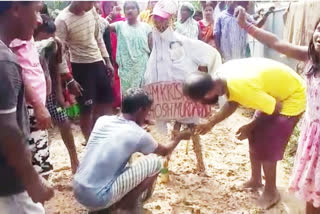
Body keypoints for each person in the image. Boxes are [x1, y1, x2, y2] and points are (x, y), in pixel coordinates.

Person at [183, 57, 306, 209]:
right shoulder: (221, 76)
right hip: (275, 93)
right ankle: (256, 180)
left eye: (202, 100)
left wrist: (251, 125)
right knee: (255, 135)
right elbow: (233, 101)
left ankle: (271, 191)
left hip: (292, 97)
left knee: (267, 145)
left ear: (208, 92)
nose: (203, 103)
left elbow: (276, 108)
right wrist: (211, 123)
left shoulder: (242, 88)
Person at [237, 7, 320, 214]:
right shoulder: (310, 57)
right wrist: (247, 26)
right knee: (312, 192)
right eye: (319, 28)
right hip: (312, 136)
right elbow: (277, 43)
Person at [73, 88, 190, 213]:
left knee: (124, 157)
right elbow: (166, 151)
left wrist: (138, 122)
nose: (148, 115)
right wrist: (179, 137)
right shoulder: (138, 134)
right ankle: (126, 206)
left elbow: (123, 135)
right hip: (98, 198)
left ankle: (114, 202)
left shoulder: (103, 120)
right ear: (141, 110)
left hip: (78, 189)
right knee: (156, 163)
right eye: (147, 111)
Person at [144, 0, 221, 173]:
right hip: (164, 97)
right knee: (168, 132)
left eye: (163, 19)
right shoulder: (154, 40)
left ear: (171, 20)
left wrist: (207, 82)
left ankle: (200, 166)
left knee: (191, 128)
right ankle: (164, 167)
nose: (159, 22)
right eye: (156, 19)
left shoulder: (180, 42)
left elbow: (206, 54)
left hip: (184, 96)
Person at [0, 1, 54, 213]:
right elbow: (7, 130)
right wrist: (32, 181)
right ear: (15, 9)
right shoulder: (5, 61)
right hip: (11, 184)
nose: (40, 20)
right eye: (37, 11)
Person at [55, 1, 114, 142]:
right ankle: (90, 143)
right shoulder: (62, 20)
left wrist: (107, 61)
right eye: (90, 1)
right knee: (86, 109)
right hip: (81, 68)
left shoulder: (91, 11)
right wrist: (69, 80)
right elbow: (59, 55)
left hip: (98, 62)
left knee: (105, 103)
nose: (93, 4)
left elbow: (98, 37)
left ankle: (104, 139)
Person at [34, 14, 79, 174]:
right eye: (48, 36)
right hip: (32, 96)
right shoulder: (27, 45)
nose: (52, 39)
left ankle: (74, 159)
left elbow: (54, 69)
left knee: (63, 121)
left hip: (50, 94)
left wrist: (59, 93)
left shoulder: (53, 45)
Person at [108, 1, 152, 93]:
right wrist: (112, 16)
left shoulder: (146, 27)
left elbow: (151, 49)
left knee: (142, 95)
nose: (130, 10)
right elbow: (102, 26)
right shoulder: (120, 25)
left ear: (138, 11)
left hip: (142, 67)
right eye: (127, 8)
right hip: (126, 71)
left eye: (133, 8)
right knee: (127, 97)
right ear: (124, 11)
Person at [100, 1, 125, 110]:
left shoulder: (123, 22)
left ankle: (122, 103)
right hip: (105, 56)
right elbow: (99, 31)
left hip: (121, 56)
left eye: (112, 6)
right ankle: (112, 104)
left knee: (120, 79)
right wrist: (110, 17)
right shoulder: (101, 21)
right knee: (110, 78)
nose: (110, 9)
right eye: (107, 6)